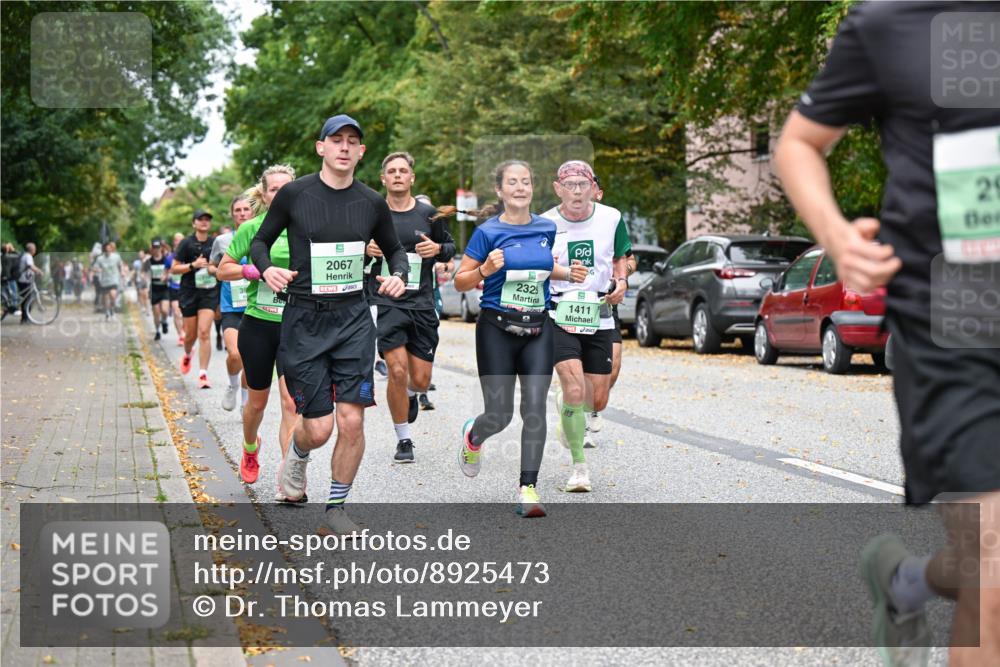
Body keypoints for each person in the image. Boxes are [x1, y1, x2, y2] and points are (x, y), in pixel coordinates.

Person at [773, 4, 999, 666]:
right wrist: (838, 236)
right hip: (956, 318)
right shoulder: (891, 21)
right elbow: (798, 143)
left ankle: (907, 581)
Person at [250, 114, 408, 536]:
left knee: (352, 420)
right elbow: (259, 242)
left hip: (354, 319)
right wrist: (267, 270)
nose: (343, 146)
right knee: (318, 429)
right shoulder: (295, 194)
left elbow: (395, 250)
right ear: (320, 147)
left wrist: (400, 275)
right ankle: (298, 454)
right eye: (335, 139)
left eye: (351, 141)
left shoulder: (371, 202)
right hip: (304, 320)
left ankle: (335, 508)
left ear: (361, 152)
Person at [454, 159, 588, 517]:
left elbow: (541, 266)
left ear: (532, 188)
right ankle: (474, 436)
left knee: (534, 410)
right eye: (512, 182)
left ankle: (528, 489)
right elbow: (460, 281)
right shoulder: (487, 232)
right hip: (496, 329)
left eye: (526, 182)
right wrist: (484, 270)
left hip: (538, 329)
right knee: (499, 415)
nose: (520, 188)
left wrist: (567, 274)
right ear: (499, 190)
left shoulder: (546, 227)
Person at [541, 160, 630, 492]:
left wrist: (620, 282)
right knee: (574, 388)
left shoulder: (612, 218)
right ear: (558, 188)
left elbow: (621, 256)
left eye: (583, 184)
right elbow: (536, 265)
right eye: (570, 184)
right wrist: (560, 272)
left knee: (596, 398)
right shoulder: (546, 223)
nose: (577, 191)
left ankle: (570, 406)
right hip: (558, 312)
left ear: (594, 187)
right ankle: (579, 468)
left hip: (599, 312)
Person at [365, 153, 455, 463]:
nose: (398, 175)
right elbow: (354, 253)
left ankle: (414, 395)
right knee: (397, 371)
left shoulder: (430, 215)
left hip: (422, 303)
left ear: (412, 178)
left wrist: (438, 249)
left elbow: (450, 249)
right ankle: (403, 439)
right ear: (383, 178)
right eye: (392, 171)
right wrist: (365, 248)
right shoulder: (372, 214)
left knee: (419, 378)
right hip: (386, 301)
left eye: (404, 170)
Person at [219, 165, 298, 491]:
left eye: (286, 188)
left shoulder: (308, 227)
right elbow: (223, 270)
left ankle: (289, 476)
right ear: (263, 195)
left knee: (291, 402)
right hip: (259, 323)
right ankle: (250, 449)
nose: (279, 194)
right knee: (257, 403)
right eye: (273, 189)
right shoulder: (251, 228)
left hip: (295, 325)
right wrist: (254, 271)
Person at [211, 195, 255, 412]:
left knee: (252, 359)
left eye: (246, 209)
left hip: (255, 305)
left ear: (253, 211)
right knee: (235, 354)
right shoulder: (222, 241)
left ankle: (246, 396)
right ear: (232, 214)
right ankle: (232, 385)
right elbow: (213, 267)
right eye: (237, 210)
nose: (242, 213)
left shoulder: (262, 234)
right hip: (231, 306)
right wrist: (223, 271)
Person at [172, 210, 219, 388]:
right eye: (201, 219)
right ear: (194, 223)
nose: (204, 222)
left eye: (207, 219)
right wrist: (194, 265)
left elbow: (221, 265)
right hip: (189, 292)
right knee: (190, 336)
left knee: (205, 332)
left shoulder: (215, 243)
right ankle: (187, 353)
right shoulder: (186, 243)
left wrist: (212, 268)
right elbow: (174, 269)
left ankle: (203, 374)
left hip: (209, 292)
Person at [144, 238, 171, 341]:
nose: (156, 250)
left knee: (164, 310)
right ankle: (157, 331)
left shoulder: (166, 259)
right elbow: (144, 273)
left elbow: (171, 270)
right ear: (152, 249)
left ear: (161, 248)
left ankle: (164, 321)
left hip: (164, 288)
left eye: (158, 248)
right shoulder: (149, 261)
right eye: (154, 248)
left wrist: (167, 276)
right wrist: (145, 279)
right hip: (154, 288)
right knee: (156, 312)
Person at [92, 241, 125, 320]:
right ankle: (107, 312)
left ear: (111, 249)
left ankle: (112, 311)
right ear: (104, 250)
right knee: (106, 298)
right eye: (106, 249)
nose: (108, 250)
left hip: (114, 279)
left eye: (109, 248)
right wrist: (97, 270)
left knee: (113, 296)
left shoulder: (116, 256)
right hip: (104, 281)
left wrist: (122, 271)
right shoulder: (100, 258)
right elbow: (95, 268)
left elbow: (120, 264)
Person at [16, 243, 45, 323]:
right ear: (32, 250)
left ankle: (24, 318)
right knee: (28, 300)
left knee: (25, 299)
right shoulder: (28, 256)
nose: (35, 251)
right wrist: (39, 271)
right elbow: (30, 266)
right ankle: (25, 318)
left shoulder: (25, 255)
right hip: (25, 280)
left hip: (23, 279)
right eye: (34, 249)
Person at [167, 233, 185, 346]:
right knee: (176, 312)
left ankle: (184, 332)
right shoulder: (169, 257)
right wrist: (166, 275)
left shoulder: (188, 255)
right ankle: (181, 335)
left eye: (180, 240)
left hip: (186, 288)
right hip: (173, 287)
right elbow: (166, 270)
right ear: (174, 242)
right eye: (176, 240)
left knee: (185, 314)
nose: (178, 242)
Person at [133, 250, 149, 314]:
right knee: (140, 293)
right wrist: (133, 280)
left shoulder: (147, 261)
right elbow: (135, 271)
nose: (140, 255)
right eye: (139, 254)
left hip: (146, 280)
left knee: (146, 294)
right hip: (139, 279)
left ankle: (147, 308)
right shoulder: (136, 262)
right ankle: (143, 307)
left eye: (142, 254)